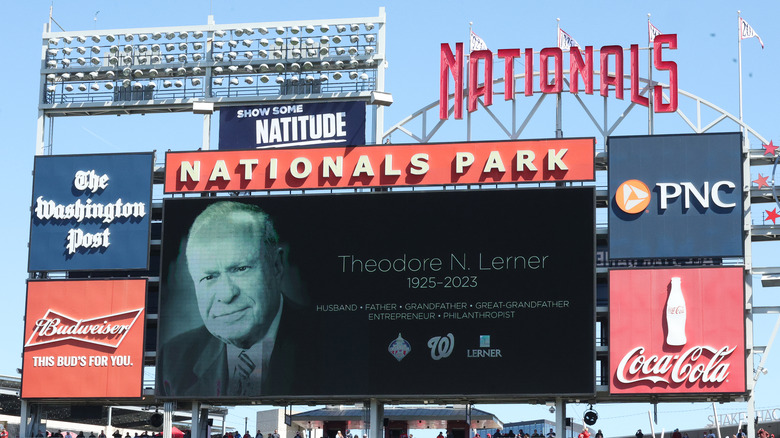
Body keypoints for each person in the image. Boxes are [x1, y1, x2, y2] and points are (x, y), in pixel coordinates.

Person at [158, 201, 308, 397]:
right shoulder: (173, 358)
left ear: (276, 266)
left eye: (240, 269)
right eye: (209, 277)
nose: (227, 294)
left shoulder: (330, 343)